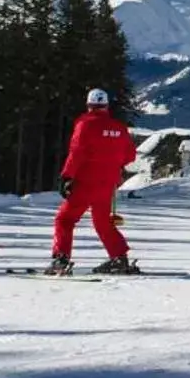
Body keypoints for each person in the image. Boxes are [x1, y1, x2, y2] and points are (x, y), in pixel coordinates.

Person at [52, 88, 139, 275]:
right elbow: (130, 155)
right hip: (107, 183)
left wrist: (66, 176)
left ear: (89, 105)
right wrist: (113, 162)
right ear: (106, 105)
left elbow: (76, 153)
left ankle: (61, 259)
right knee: (102, 222)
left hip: (85, 181)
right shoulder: (119, 127)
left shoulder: (85, 125)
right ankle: (119, 259)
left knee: (65, 220)